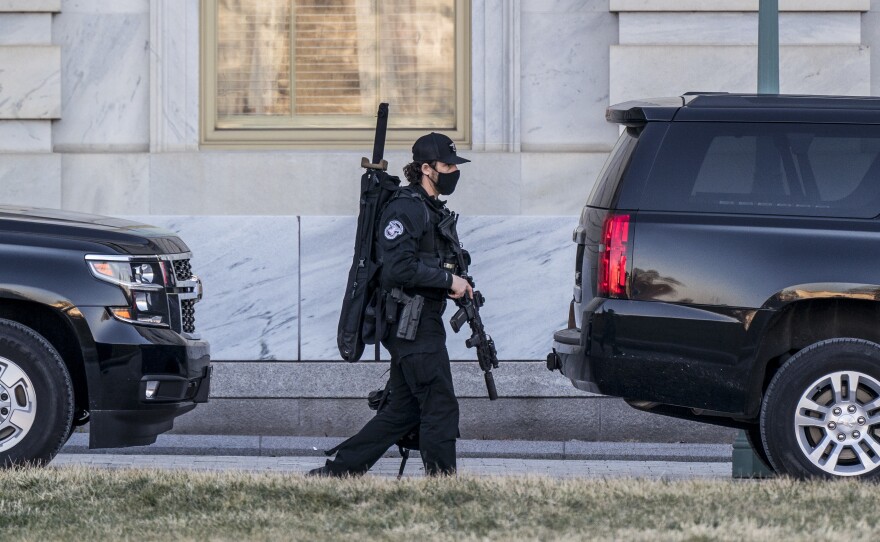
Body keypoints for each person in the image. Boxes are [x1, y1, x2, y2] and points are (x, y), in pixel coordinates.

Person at [308, 132, 473, 477]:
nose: (453, 171)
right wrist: (448, 281)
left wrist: (453, 283)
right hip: (409, 324)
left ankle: (337, 472)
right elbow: (399, 269)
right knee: (439, 403)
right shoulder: (406, 208)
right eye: (446, 165)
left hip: (421, 319)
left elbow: (424, 263)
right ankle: (443, 482)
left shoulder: (430, 209)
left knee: (403, 409)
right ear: (426, 168)